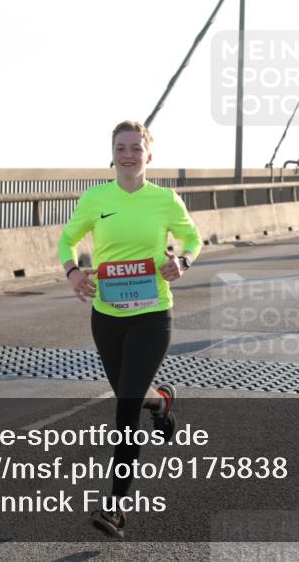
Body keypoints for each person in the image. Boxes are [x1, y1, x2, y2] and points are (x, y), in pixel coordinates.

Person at [59, 120, 201, 539]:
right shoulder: (95, 198)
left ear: (148, 155)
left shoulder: (165, 200)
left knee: (125, 409)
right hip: (107, 316)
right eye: (120, 148)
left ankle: (115, 508)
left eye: (135, 148)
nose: (127, 155)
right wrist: (73, 272)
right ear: (112, 154)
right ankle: (161, 401)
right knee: (131, 394)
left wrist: (182, 262)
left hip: (153, 314)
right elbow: (67, 240)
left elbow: (193, 239)